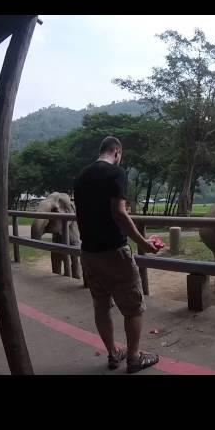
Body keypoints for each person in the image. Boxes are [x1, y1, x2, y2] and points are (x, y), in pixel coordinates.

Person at [74, 136, 161, 374]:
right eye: (120, 155)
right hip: (114, 253)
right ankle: (133, 358)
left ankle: (113, 353)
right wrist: (144, 242)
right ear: (116, 152)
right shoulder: (116, 173)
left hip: (89, 253)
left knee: (101, 306)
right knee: (133, 307)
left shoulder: (81, 176)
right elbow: (119, 213)